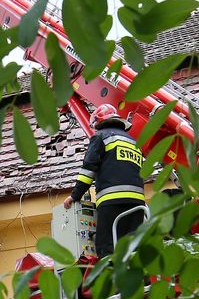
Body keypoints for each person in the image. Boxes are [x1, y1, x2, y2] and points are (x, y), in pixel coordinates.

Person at [63, 103, 148, 258]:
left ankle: (109, 280)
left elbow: (88, 170)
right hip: (137, 203)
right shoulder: (134, 142)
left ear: (98, 122)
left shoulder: (100, 136)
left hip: (112, 202)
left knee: (106, 246)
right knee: (133, 249)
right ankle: (140, 280)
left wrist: (75, 195)